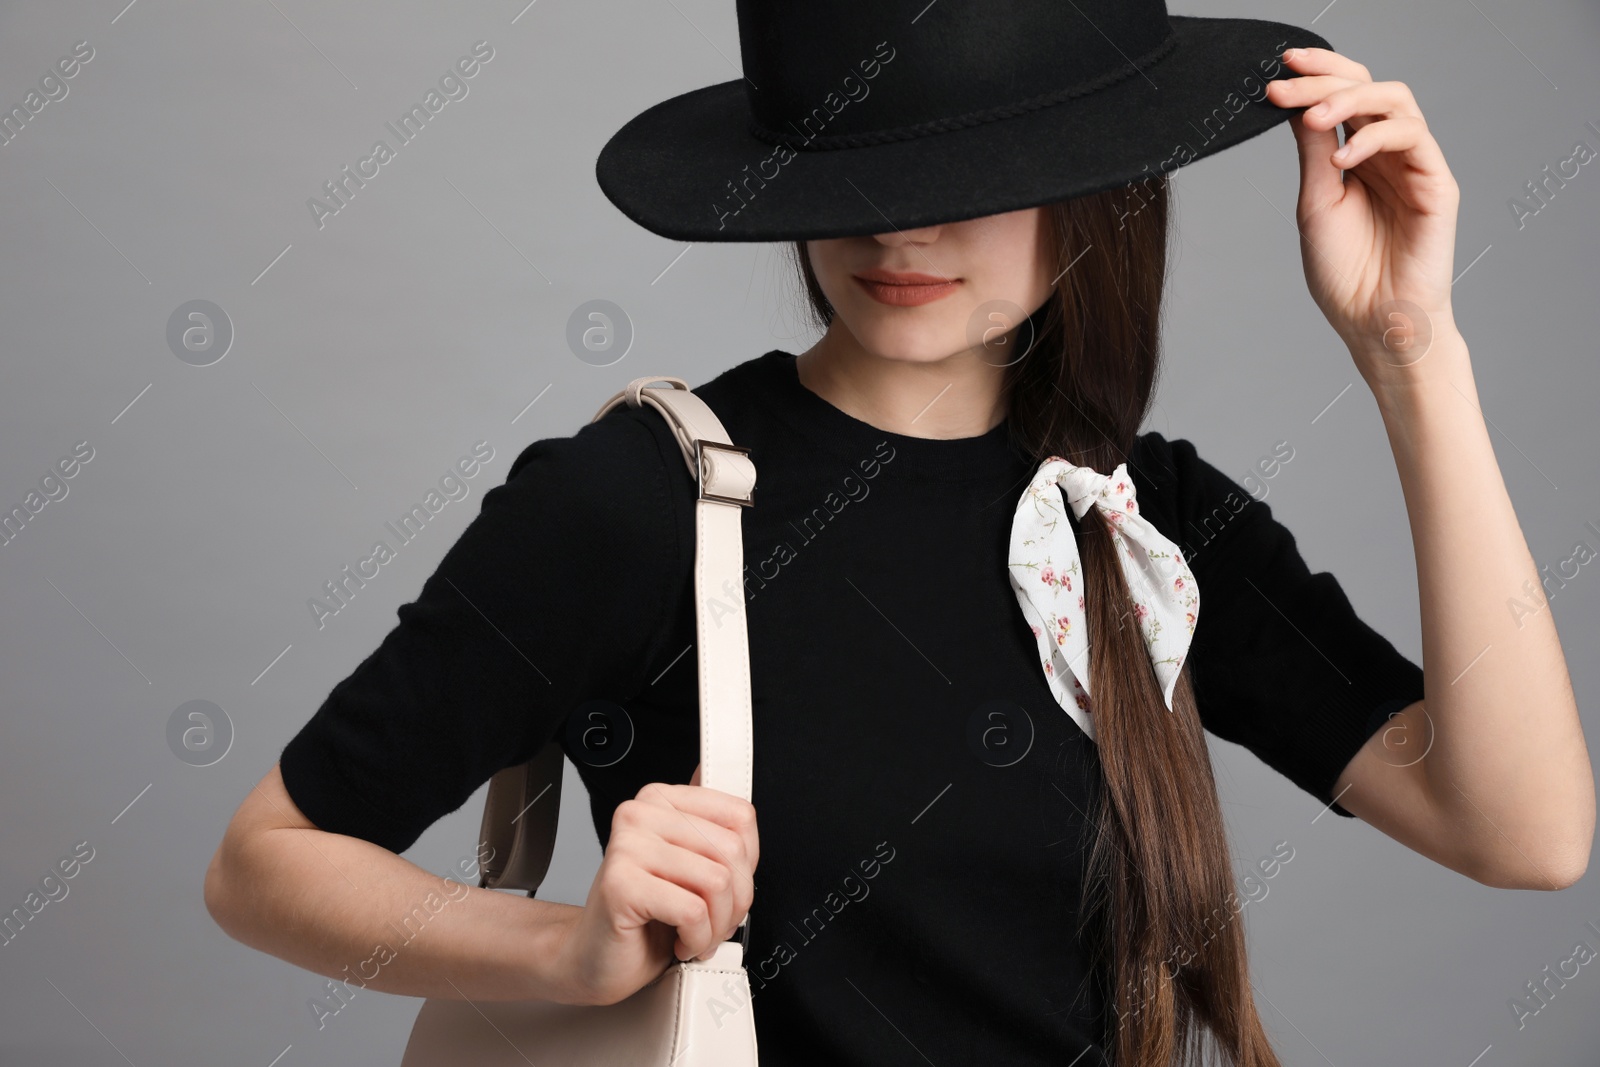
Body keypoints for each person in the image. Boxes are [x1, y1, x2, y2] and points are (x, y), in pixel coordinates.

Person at [203, 4, 1593, 1064]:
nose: (904, 224)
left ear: (1096, 182)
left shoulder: (1146, 521)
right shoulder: (638, 501)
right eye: (866, 162)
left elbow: (1523, 833)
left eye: (978, 164)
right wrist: (567, 952)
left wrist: (1415, 353)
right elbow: (266, 863)